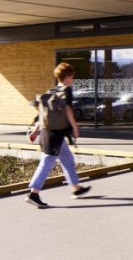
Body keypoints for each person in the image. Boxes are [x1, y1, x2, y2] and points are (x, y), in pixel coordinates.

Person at [25, 62, 91, 208]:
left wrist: (35, 131)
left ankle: (76, 189)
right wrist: (75, 127)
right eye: (71, 76)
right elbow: (68, 110)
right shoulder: (66, 91)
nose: (72, 79)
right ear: (67, 77)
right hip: (55, 135)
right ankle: (33, 194)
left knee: (67, 159)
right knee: (47, 162)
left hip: (47, 133)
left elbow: (42, 114)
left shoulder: (51, 91)